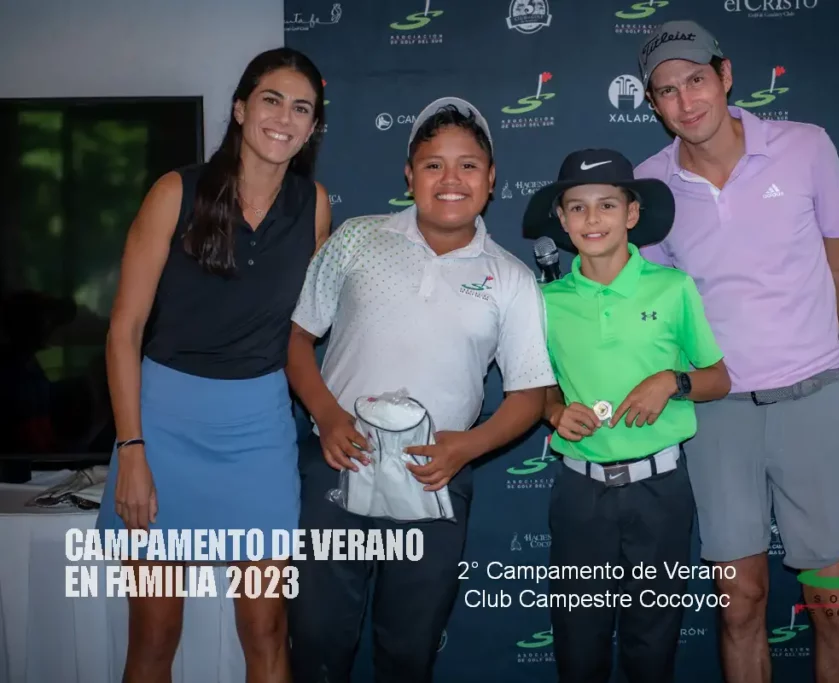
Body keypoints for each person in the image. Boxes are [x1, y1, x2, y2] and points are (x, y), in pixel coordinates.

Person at [633, 20, 839, 683]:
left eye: (696, 79)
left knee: (836, 604)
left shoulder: (806, 147)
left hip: (814, 398)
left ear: (725, 76)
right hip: (717, 413)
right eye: (667, 90)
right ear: (653, 104)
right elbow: (656, 309)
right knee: (739, 603)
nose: (686, 101)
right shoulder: (648, 186)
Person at [285, 97, 555, 683]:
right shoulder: (356, 238)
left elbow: (530, 396)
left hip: (435, 478)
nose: (450, 179)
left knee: (409, 651)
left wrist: (465, 448)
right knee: (316, 642)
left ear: (491, 178)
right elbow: (298, 338)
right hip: (337, 465)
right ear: (409, 175)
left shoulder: (511, 279)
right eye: (433, 165)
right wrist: (327, 417)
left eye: (468, 165)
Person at [96, 47, 330, 683]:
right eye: (271, 100)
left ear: (312, 127)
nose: (284, 118)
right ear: (241, 109)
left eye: (301, 108)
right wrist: (132, 449)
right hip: (161, 429)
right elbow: (124, 330)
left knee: (267, 630)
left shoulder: (313, 205)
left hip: (258, 433)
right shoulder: (176, 192)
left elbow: (305, 331)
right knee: (155, 634)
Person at [522, 148, 731, 682]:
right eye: (578, 207)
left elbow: (718, 378)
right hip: (580, 493)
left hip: (659, 492)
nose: (593, 219)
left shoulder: (672, 287)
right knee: (578, 644)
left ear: (632, 213)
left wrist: (672, 381)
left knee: (652, 644)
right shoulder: (544, 303)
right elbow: (535, 389)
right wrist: (553, 410)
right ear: (562, 219)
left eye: (608, 205)